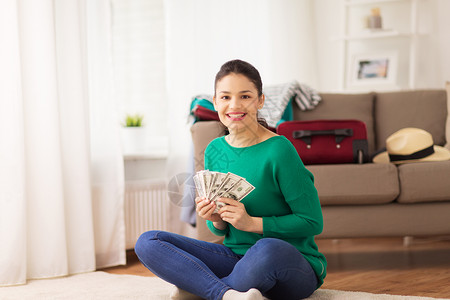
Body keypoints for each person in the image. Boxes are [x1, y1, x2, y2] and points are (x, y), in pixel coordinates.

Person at [135, 59, 327, 300]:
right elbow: (220, 226)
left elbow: (312, 222)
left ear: (260, 100)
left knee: (267, 248)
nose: (234, 105)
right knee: (148, 241)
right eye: (225, 97)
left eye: (245, 96)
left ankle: (203, 289)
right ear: (215, 102)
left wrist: (253, 223)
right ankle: (227, 294)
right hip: (237, 259)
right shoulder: (215, 150)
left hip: (291, 264)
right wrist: (215, 218)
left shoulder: (279, 150)